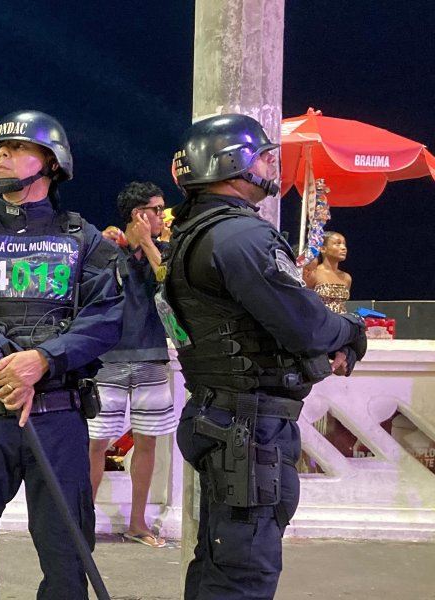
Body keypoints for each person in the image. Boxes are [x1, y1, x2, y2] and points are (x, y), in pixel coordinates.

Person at [165, 114, 367, 600]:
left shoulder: (196, 231)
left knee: (219, 560)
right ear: (231, 162)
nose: (273, 163)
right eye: (264, 155)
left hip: (221, 413)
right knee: (244, 573)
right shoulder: (241, 236)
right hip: (247, 425)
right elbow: (308, 326)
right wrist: (352, 332)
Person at [0, 110, 124, 599]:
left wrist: (43, 361)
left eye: (16, 149)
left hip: (58, 416)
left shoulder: (85, 241)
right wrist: (11, 360)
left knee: (66, 553)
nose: (2, 157)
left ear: (52, 163)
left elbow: (104, 319)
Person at [89, 182, 175, 549]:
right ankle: (82, 518)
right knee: (95, 444)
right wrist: (122, 243)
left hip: (152, 357)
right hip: (107, 361)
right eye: (156, 210)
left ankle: (137, 523)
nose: (163, 216)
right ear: (139, 214)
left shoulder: (166, 251)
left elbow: (173, 286)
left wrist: (150, 245)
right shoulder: (106, 249)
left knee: (148, 443)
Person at [304, 231, 352, 313]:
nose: (343, 248)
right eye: (337, 244)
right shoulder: (314, 273)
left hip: (341, 323)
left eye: (344, 244)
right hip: (319, 322)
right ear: (323, 249)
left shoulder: (346, 278)